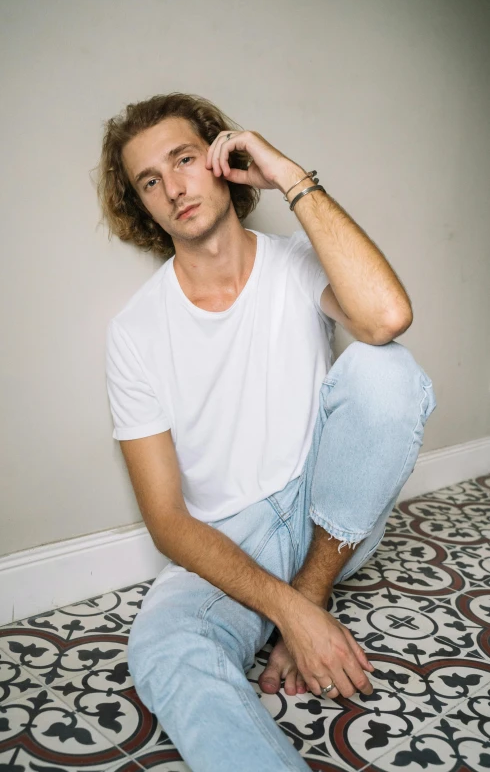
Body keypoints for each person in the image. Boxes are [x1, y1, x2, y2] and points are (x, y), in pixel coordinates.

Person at [98, 92, 437, 772]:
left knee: (388, 371)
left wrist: (288, 174)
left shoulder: (294, 264)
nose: (174, 189)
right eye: (150, 181)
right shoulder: (134, 331)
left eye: (185, 159)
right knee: (165, 647)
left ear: (225, 158)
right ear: (142, 206)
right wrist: (291, 610)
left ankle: (312, 586)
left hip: (329, 511)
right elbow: (166, 520)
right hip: (228, 538)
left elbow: (388, 315)